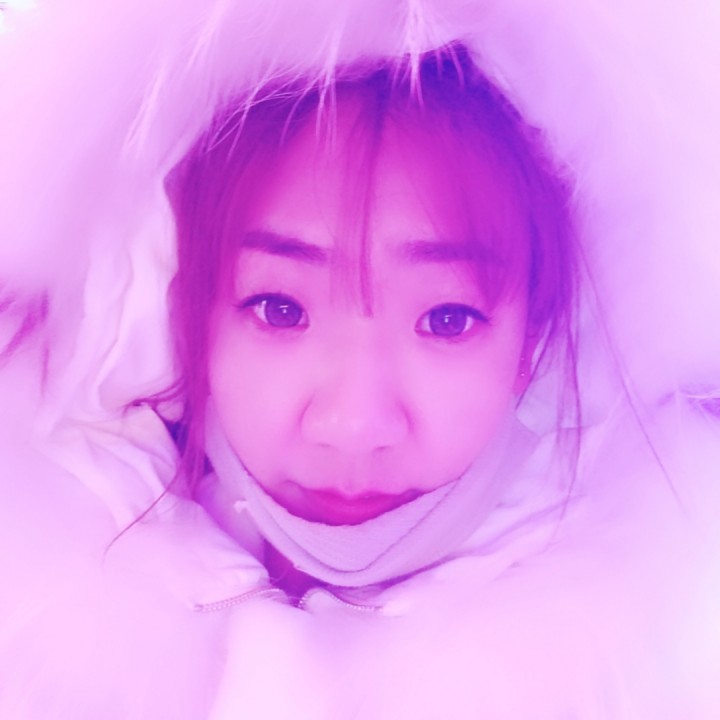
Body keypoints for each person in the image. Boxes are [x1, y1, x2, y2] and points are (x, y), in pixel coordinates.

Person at [1, 0, 719, 718]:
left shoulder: (661, 662)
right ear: (180, 316)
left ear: (533, 343)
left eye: (446, 319)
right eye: (280, 309)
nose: (354, 424)